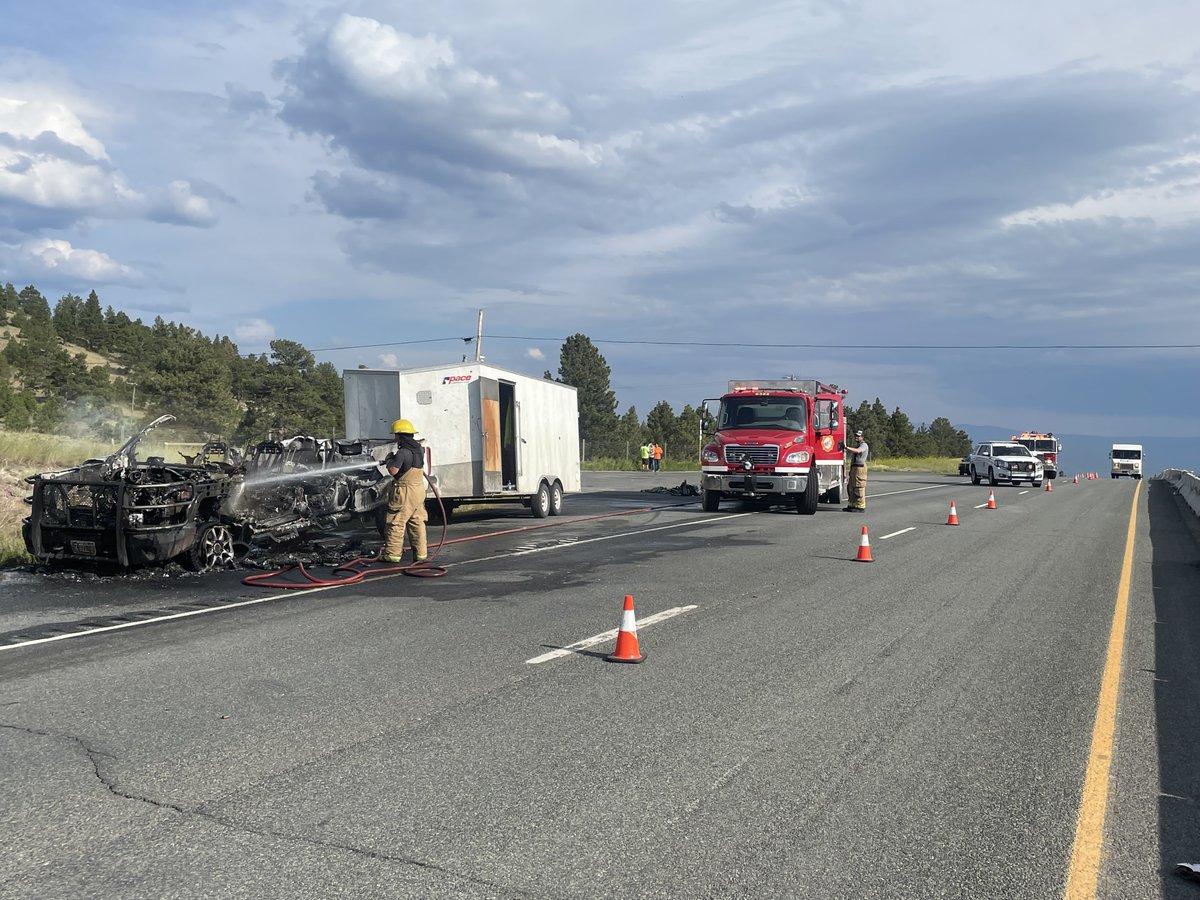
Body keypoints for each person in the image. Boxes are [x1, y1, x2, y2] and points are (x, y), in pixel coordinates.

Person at [380, 418, 428, 564]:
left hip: (404, 490)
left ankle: (392, 554)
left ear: (400, 436)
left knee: (396, 521)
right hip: (419, 490)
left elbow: (394, 471)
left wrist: (389, 461)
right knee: (417, 521)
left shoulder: (403, 452)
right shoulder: (419, 449)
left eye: (396, 435)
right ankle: (421, 554)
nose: (395, 438)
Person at [842, 429, 869, 512]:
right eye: (856, 436)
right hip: (855, 468)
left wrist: (846, 448)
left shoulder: (863, 445)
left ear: (862, 437)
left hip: (860, 468)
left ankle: (860, 506)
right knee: (851, 487)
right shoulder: (858, 445)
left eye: (858, 436)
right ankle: (852, 505)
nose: (856, 437)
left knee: (858, 487)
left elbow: (858, 451)